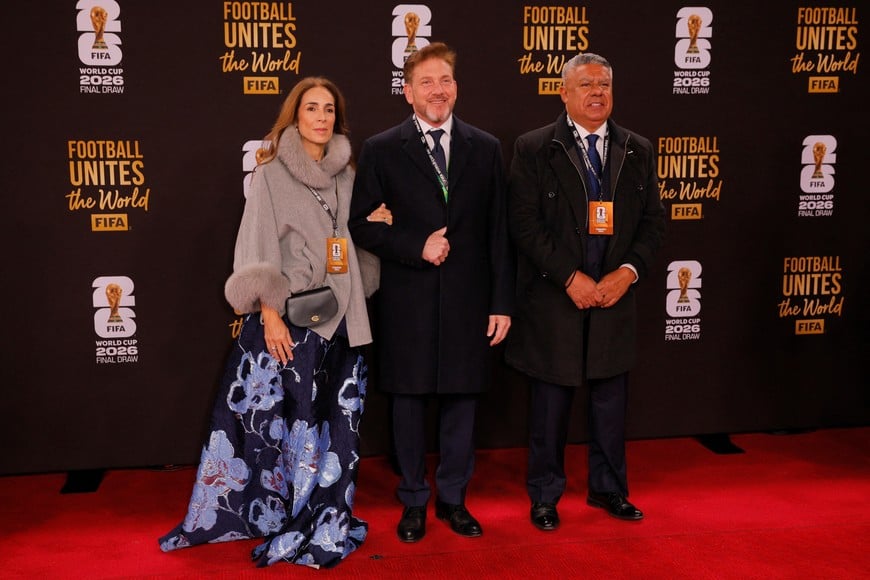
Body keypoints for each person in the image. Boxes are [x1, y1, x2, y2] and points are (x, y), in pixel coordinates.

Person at [158, 76, 387, 568]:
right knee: (295, 421)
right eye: (312, 108)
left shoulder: (349, 171)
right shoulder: (271, 173)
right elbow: (257, 245)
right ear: (295, 116)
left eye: (329, 109)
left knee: (339, 421)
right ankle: (286, 513)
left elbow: (353, 233)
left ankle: (328, 511)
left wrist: (378, 223)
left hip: (345, 315)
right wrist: (268, 312)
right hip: (297, 317)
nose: (322, 117)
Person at [349, 42, 514, 543]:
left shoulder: (484, 147)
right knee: (408, 402)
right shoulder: (381, 148)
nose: (437, 90)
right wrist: (414, 245)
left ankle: (453, 500)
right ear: (408, 92)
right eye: (427, 82)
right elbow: (360, 225)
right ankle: (414, 502)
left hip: (469, 301)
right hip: (408, 302)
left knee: (462, 401)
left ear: (456, 88)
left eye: (445, 81)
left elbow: (499, 232)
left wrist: (501, 302)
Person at [505, 53, 665, 532]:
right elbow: (524, 224)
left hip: (615, 299)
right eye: (586, 85)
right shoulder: (534, 148)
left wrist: (628, 273)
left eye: (604, 85)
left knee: (611, 406)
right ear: (564, 93)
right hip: (556, 299)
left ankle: (609, 490)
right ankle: (545, 496)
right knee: (550, 409)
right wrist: (570, 277)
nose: (597, 93)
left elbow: (654, 223)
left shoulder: (638, 149)